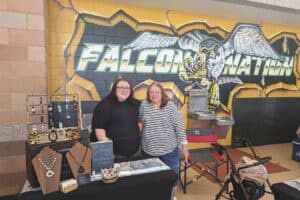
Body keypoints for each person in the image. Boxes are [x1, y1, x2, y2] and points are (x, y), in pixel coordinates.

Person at [139, 81, 189, 200]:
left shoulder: (170, 106)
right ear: (148, 94)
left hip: (169, 151)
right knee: (152, 178)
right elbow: (140, 121)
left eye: (157, 92)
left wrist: (185, 147)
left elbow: (179, 126)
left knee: (172, 177)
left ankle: (172, 196)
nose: (154, 95)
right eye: (151, 92)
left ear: (162, 94)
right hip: (149, 150)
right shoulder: (143, 105)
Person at [91, 78, 141, 157]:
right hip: (115, 154)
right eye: (121, 87)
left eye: (127, 88)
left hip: (135, 152)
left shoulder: (135, 104)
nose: (124, 90)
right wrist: (107, 151)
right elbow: (99, 128)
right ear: (114, 89)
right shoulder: (104, 105)